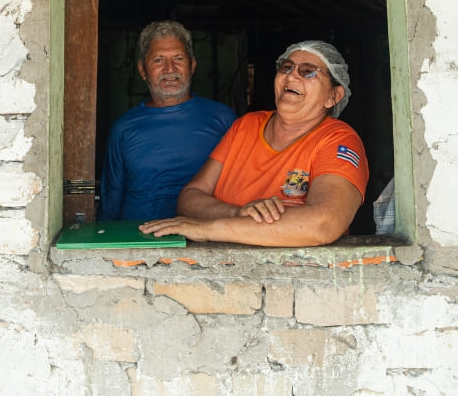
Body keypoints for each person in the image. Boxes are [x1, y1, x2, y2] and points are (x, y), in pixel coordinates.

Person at [140, 40, 368, 247]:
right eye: (286, 68)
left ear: (334, 96)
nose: (291, 76)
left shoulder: (339, 141)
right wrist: (238, 213)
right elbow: (189, 197)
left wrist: (208, 229)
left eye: (308, 72)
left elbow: (324, 223)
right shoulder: (246, 126)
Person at [99, 21, 236, 222]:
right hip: (141, 240)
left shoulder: (224, 119)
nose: (169, 69)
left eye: (178, 58)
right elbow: (111, 199)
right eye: (158, 60)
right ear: (142, 70)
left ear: (193, 65)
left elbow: (242, 185)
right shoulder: (124, 128)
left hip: (206, 241)